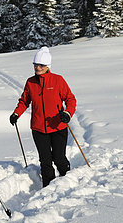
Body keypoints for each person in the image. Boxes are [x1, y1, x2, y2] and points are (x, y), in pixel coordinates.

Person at [9, 46, 76, 187]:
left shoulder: (58, 80)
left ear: (48, 66)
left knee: (59, 158)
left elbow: (70, 99)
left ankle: (67, 182)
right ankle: (48, 187)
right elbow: (24, 101)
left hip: (58, 126)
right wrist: (16, 113)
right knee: (45, 161)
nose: (37, 68)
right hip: (39, 128)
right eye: (35, 65)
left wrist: (67, 113)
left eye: (41, 65)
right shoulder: (31, 82)